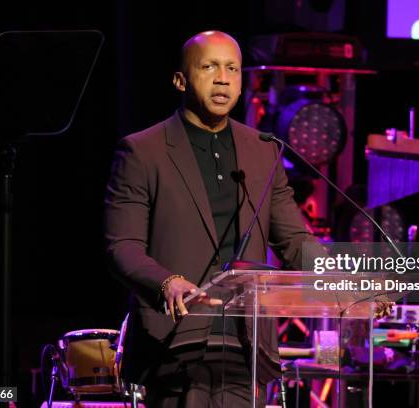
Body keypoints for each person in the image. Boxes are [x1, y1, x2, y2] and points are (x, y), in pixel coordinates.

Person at [104, 30, 322, 407]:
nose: (223, 78)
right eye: (210, 67)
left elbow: (295, 241)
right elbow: (121, 246)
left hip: (245, 343)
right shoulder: (142, 151)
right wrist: (166, 282)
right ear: (180, 80)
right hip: (174, 343)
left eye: (232, 69)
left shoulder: (263, 151)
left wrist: (348, 278)